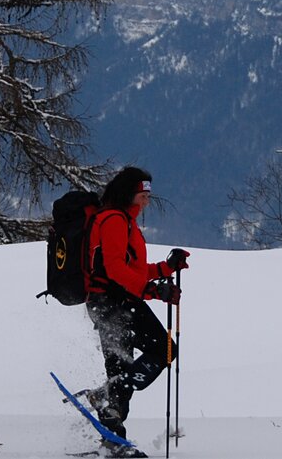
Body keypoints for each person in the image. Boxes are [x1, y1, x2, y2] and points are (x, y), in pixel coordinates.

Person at [81, 166, 189, 458]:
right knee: (164, 350)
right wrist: (151, 291)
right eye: (143, 196)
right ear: (130, 194)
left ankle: (113, 436)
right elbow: (116, 270)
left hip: (111, 302)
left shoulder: (122, 220)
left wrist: (165, 270)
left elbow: (133, 271)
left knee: (122, 365)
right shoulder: (115, 220)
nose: (146, 202)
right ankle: (109, 409)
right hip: (113, 303)